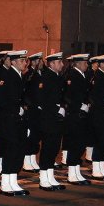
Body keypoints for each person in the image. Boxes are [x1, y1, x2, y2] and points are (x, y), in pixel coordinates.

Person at [0, 50, 32, 195]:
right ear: (13, 62)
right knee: (10, 152)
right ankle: (5, 184)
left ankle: (13, 181)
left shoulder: (20, 76)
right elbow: (1, 99)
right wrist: (17, 109)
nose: (24, 63)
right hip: (9, 120)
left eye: (25, 61)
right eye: (21, 61)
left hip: (18, 120)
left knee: (17, 151)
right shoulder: (8, 76)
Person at [37, 53, 66, 190]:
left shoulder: (57, 77)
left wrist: (62, 107)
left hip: (57, 119)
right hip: (48, 119)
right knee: (48, 148)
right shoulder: (46, 77)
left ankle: (50, 176)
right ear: (52, 64)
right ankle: (43, 179)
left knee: (54, 148)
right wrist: (56, 109)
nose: (62, 64)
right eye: (59, 62)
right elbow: (43, 100)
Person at [62, 54, 92, 185]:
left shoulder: (82, 75)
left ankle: (76, 172)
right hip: (74, 115)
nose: (87, 65)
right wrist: (80, 106)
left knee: (80, 144)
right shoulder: (72, 75)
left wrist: (86, 104)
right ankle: (72, 174)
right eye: (85, 63)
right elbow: (68, 96)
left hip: (81, 114)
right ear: (78, 63)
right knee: (75, 144)